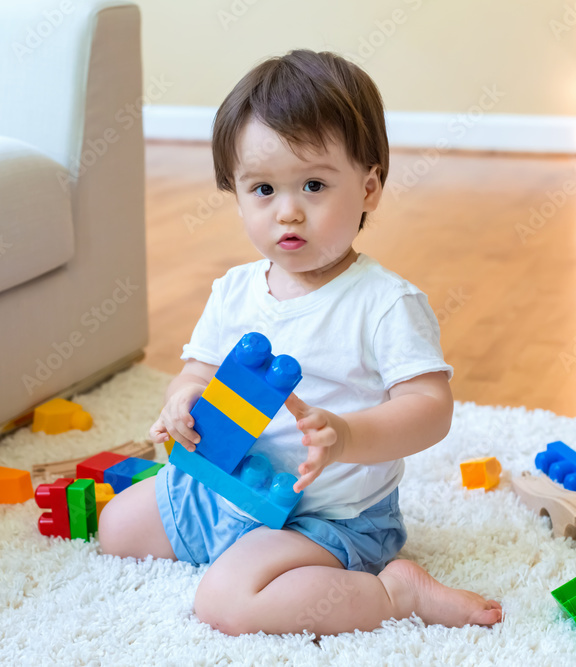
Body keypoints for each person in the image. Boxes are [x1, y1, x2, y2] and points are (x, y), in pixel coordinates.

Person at [98, 49, 503, 636]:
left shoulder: (384, 303)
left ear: (368, 189)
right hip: (226, 488)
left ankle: (394, 592)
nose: (287, 212)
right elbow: (196, 369)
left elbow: (431, 411)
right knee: (117, 528)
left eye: (313, 185)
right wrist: (180, 400)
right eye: (262, 189)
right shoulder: (235, 290)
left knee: (227, 603)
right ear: (233, 192)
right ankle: (250, 558)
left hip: (328, 517)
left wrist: (348, 435)